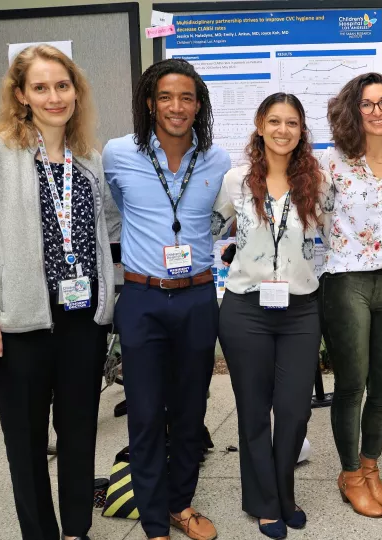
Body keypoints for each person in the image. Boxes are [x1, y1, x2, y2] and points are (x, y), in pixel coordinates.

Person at [0, 44, 118, 540]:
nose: (54, 96)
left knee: (78, 435)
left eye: (63, 85)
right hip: (20, 323)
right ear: (22, 95)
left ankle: (75, 530)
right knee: (25, 444)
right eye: (42, 87)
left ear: (76, 91)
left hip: (82, 320)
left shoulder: (89, 156)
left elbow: (106, 227)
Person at [103, 58, 230, 540]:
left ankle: (180, 503)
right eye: (166, 97)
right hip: (142, 298)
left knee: (191, 410)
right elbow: (113, 206)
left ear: (199, 105)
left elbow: (221, 217)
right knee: (144, 411)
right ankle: (154, 519)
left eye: (187, 98)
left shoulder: (216, 160)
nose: (177, 107)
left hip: (198, 298)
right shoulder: (118, 154)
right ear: (150, 103)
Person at [212, 92, 327, 540]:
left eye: (292, 123)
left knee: (295, 410)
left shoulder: (315, 181)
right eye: (275, 121)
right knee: (255, 411)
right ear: (260, 125)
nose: (283, 130)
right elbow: (215, 226)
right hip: (245, 309)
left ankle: (284, 490)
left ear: (302, 131)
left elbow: (333, 233)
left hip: (300, 309)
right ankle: (266, 503)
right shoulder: (236, 181)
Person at [319, 73, 382, 518]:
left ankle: (372, 467)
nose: (377, 111)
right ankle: (350, 473)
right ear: (355, 110)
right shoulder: (332, 162)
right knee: (353, 383)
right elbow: (304, 212)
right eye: (368, 103)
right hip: (346, 279)